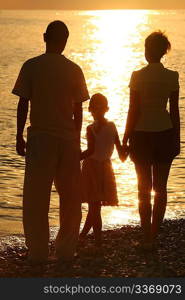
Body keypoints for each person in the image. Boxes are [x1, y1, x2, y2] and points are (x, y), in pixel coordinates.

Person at [12, 20, 89, 264]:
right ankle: (66, 249)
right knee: (70, 198)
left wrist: (18, 135)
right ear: (65, 40)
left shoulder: (31, 66)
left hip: (41, 138)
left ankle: (37, 252)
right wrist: (76, 138)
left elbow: (23, 102)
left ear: (45, 37)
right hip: (67, 139)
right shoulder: (74, 69)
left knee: (36, 198)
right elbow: (78, 110)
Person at [122, 31, 180, 250]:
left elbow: (133, 109)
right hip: (165, 132)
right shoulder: (172, 76)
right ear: (164, 52)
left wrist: (126, 136)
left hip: (141, 134)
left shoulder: (137, 75)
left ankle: (146, 235)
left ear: (148, 50)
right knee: (161, 188)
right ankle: (153, 236)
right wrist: (178, 138)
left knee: (143, 188)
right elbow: (173, 111)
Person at [79, 93, 128, 247]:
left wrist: (74, 158)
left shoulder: (90, 128)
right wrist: (129, 148)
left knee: (94, 206)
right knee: (95, 206)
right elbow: (121, 155)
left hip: (92, 168)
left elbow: (90, 151)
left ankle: (98, 241)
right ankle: (82, 235)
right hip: (106, 168)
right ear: (107, 109)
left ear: (90, 110)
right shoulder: (112, 126)